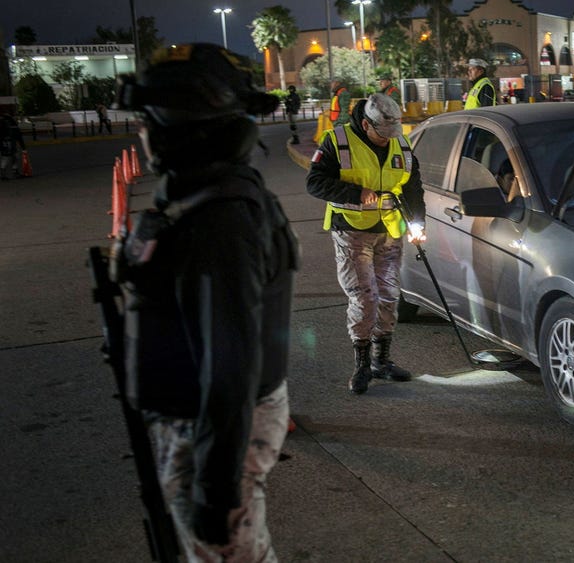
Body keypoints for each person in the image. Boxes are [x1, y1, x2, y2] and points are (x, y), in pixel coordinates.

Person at [113, 42, 299, 560]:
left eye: (148, 120)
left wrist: (213, 492)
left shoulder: (220, 218)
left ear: (180, 127)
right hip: (199, 421)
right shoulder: (200, 196)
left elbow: (231, 365)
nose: (142, 133)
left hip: (210, 432)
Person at [306, 93, 426, 394]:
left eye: (392, 134)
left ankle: (381, 361)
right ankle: (361, 365)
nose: (388, 140)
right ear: (365, 124)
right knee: (365, 298)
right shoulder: (337, 141)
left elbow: (413, 186)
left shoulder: (401, 142)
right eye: (382, 134)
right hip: (351, 231)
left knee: (388, 296)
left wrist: (417, 223)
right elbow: (315, 183)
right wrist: (354, 192)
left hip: (389, 230)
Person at [0, 112, 26, 180]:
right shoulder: (13, 126)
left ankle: (3, 174)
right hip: (11, 144)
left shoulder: (3, 124)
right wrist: (23, 147)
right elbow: (19, 137)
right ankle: (14, 172)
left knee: (6, 158)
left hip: (4, 144)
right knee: (14, 157)